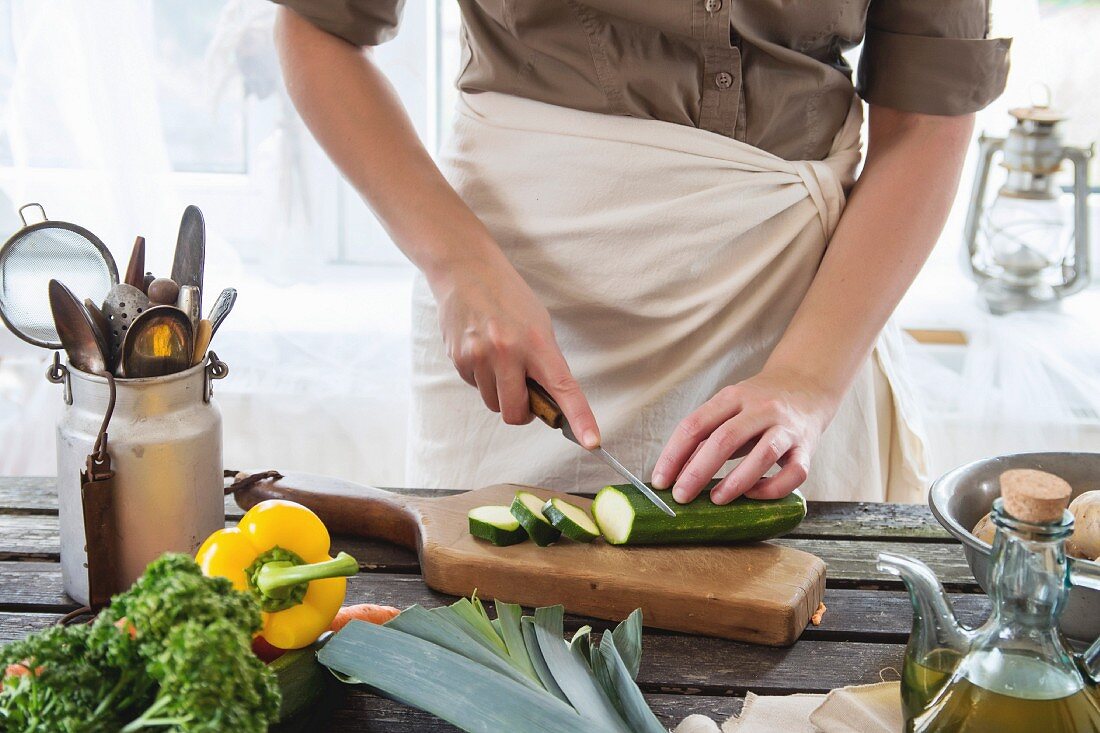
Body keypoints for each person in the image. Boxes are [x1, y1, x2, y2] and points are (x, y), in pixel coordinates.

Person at [272, 1, 1009, 503]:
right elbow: (319, 29)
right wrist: (458, 266)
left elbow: (930, 117)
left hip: (800, 314)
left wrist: (805, 381)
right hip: (509, 299)